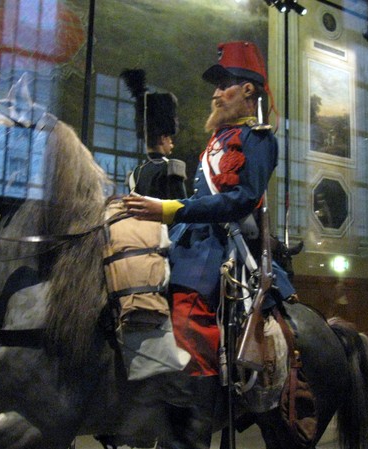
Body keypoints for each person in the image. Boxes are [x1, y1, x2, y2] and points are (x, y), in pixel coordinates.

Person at [123, 41, 296, 449]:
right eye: (216, 87)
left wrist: (169, 208)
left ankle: (191, 431)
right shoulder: (219, 138)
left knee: (188, 322)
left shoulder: (257, 139)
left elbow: (241, 200)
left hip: (219, 250)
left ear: (249, 91)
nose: (216, 93)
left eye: (226, 85)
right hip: (189, 242)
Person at [122, 69, 188, 199]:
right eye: (169, 137)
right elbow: (180, 208)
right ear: (163, 138)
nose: (171, 143)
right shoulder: (170, 168)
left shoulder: (135, 174)